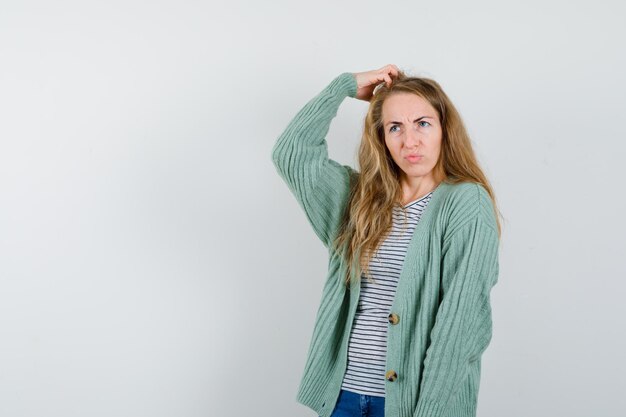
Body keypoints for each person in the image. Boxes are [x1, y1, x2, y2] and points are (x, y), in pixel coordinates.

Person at [270, 64, 502, 417]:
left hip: (412, 407)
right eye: (395, 127)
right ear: (382, 138)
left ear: (444, 129)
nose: (410, 141)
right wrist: (343, 87)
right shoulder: (360, 198)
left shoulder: (465, 203)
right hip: (343, 397)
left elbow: (461, 324)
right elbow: (291, 154)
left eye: (422, 123)